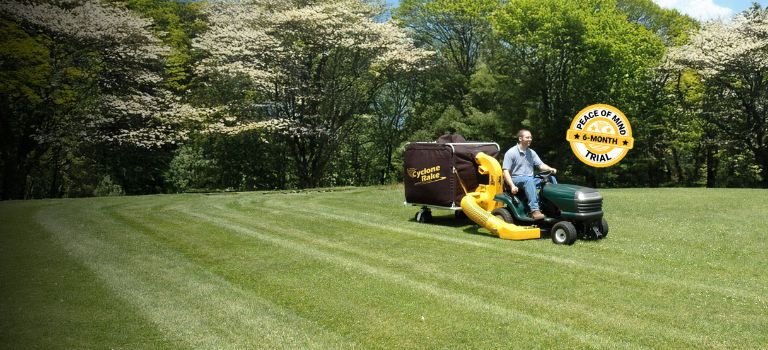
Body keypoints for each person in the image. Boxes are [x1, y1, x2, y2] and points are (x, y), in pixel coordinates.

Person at [502, 129, 557, 220]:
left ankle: (553, 205)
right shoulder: (511, 152)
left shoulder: (531, 152)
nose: (530, 139)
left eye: (531, 137)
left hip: (529, 179)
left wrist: (550, 169)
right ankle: (534, 210)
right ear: (520, 138)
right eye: (527, 137)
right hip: (515, 179)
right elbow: (505, 171)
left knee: (550, 178)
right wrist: (512, 186)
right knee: (529, 180)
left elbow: (541, 165)